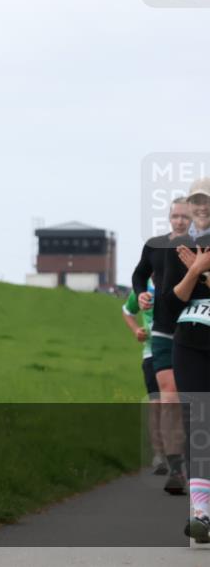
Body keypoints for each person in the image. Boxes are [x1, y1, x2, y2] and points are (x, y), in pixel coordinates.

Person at [132, 197, 192, 494]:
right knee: (169, 398)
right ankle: (176, 467)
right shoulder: (154, 246)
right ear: (169, 217)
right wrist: (141, 293)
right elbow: (139, 274)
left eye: (185, 216)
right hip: (163, 329)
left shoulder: (200, 247)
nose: (180, 221)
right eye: (176, 216)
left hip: (195, 328)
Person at [164, 178, 210, 543]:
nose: (202, 208)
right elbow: (174, 299)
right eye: (197, 202)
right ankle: (200, 514)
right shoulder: (179, 248)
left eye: (207, 202)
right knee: (199, 422)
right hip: (190, 340)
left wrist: (202, 270)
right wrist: (196, 270)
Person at [122, 279, 167, 474]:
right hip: (151, 352)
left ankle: (179, 452)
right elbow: (127, 311)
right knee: (156, 402)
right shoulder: (142, 289)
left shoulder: (176, 279)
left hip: (176, 349)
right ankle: (159, 455)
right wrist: (136, 331)